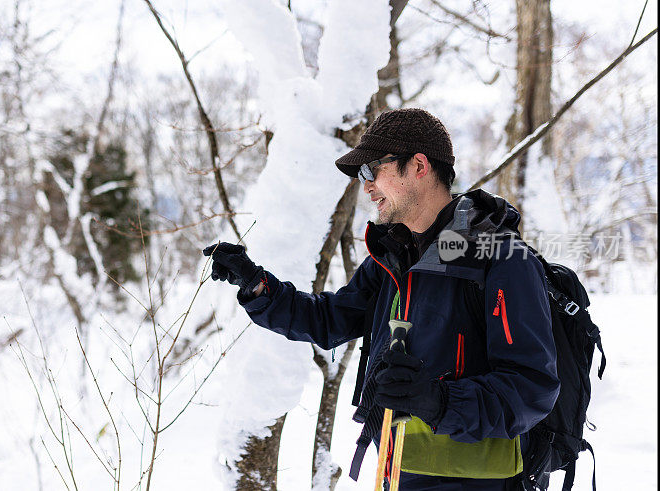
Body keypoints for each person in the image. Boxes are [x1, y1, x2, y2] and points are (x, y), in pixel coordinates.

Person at [203, 108, 560, 490]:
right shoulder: (396, 256)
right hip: (397, 468)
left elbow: (532, 387)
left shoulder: (502, 258)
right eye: (361, 175)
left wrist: (440, 401)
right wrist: (258, 286)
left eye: (373, 170)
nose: (366, 185)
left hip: (478, 478)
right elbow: (329, 320)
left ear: (419, 165)